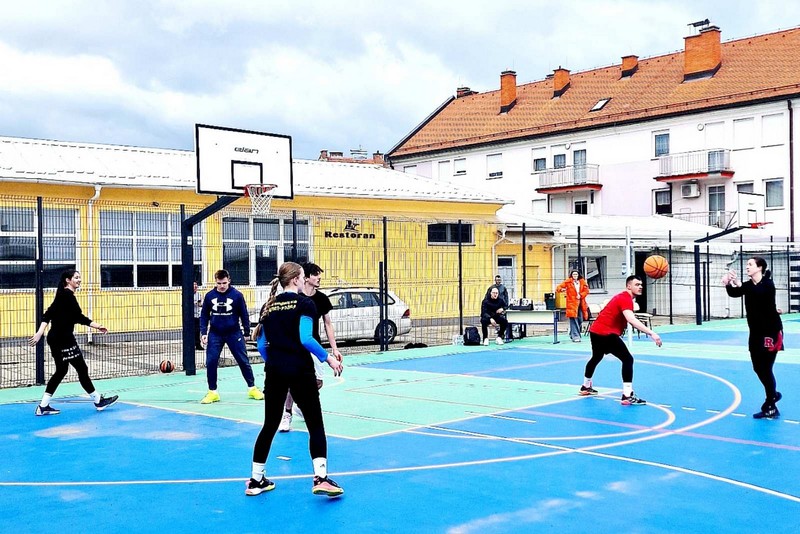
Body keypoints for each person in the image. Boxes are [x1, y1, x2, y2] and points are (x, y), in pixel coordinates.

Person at [246, 262, 344, 498]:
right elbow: (306, 338)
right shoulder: (305, 304)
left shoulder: (269, 306)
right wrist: (329, 359)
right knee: (314, 424)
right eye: (302, 276)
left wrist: (276, 361)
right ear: (296, 280)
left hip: (275, 371)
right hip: (300, 370)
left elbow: (261, 345)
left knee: (269, 425)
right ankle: (321, 478)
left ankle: (256, 480)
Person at [28, 269, 118, 415]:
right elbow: (77, 317)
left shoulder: (62, 295)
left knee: (62, 370)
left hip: (56, 338)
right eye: (76, 278)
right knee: (81, 369)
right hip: (63, 339)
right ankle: (98, 401)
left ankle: (43, 406)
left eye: (79, 277)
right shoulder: (67, 296)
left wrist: (40, 332)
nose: (79, 280)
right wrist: (39, 333)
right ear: (68, 280)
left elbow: (51, 315)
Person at [279, 262, 343, 432]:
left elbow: (328, 324)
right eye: (315, 274)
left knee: (318, 382)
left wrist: (334, 348)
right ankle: (287, 414)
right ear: (305, 278)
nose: (319, 277)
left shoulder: (321, 299)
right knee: (292, 383)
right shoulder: (295, 298)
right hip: (296, 347)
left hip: (314, 345)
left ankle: (301, 404)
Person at [580, 275, 662, 405]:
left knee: (596, 357)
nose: (640, 287)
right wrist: (651, 333)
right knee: (628, 359)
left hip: (595, 331)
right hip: (606, 333)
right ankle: (627, 395)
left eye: (641, 285)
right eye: (637, 285)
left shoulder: (622, 297)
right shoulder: (625, 298)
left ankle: (585, 386)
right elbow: (631, 319)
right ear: (628, 286)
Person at [723, 256, 783, 419]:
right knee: (758, 368)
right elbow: (735, 293)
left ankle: (770, 405)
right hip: (755, 333)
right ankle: (773, 394)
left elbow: (759, 293)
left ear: (760, 268)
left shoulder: (768, 284)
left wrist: (739, 284)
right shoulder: (748, 285)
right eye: (747, 264)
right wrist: (728, 283)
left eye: (750, 264)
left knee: (766, 368)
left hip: (771, 332)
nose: (747, 267)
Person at [199, 269, 264, 404]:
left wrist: (247, 332)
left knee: (243, 360)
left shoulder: (237, 295)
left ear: (229, 280)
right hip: (215, 333)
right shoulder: (209, 296)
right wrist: (203, 333)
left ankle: (252, 388)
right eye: (219, 283)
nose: (222, 286)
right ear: (215, 282)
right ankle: (212, 392)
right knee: (211, 361)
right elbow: (204, 315)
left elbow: (244, 314)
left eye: (224, 283)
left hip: (233, 333)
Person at [556, 270, 591, 342]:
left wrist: (580, 295)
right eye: (573, 274)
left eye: (576, 274)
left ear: (578, 275)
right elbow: (558, 288)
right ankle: (576, 336)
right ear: (571, 275)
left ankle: (572, 333)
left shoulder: (582, 282)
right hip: (572, 303)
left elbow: (586, 291)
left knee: (580, 319)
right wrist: (562, 289)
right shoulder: (568, 282)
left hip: (581, 303)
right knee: (574, 319)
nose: (575, 276)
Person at [193, 281, 204, 350]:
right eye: (194, 285)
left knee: (197, 330)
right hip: (191, 316)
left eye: (196, 285)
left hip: (197, 315)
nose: (195, 286)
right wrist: (196, 303)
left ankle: (197, 344)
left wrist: (200, 303)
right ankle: (191, 344)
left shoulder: (198, 294)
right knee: (191, 330)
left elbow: (200, 304)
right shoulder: (188, 294)